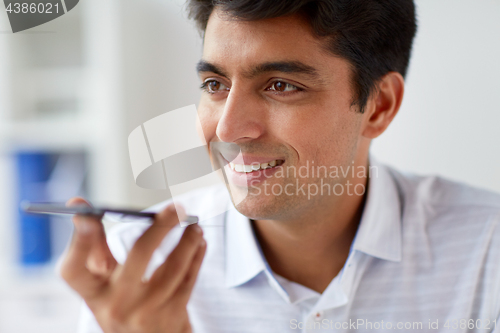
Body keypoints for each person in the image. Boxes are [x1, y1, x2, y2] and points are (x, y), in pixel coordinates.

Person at [63, 1, 500, 332]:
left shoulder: (487, 253)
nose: (229, 130)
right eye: (214, 85)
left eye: (280, 86)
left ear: (378, 106)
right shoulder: (131, 274)